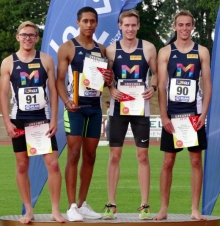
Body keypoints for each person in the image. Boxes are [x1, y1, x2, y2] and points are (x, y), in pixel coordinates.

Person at [0, 21, 66, 224]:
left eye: (31, 35)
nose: (27, 38)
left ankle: (55, 210)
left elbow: (53, 91)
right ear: (18, 37)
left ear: (37, 38)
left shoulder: (46, 60)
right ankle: (28, 210)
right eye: (24, 34)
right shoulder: (8, 62)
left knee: (53, 165)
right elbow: (3, 93)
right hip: (19, 119)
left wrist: (54, 118)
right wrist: (7, 123)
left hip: (41, 119)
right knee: (22, 166)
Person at [153, 10, 211, 221]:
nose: (184, 28)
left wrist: (204, 114)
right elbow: (161, 86)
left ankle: (194, 209)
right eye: (181, 25)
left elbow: (207, 84)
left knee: (196, 161)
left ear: (192, 26)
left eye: (188, 25)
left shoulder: (202, 51)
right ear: (175, 27)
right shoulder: (165, 52)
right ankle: (163, 209)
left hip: (194, 114)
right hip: (173, 115)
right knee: (168, 162)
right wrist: (164, 116)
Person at [56, 6, 112, 222]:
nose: (89, 25)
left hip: (94, 108)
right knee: (73, 153)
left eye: (93, 21)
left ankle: (82, 203)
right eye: (85, 21)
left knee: (90, 155)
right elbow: (60, 80)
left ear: (97, 23)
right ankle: (71, 206)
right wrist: (67, 101)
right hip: (75, 109)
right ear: (78, 22)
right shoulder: (68, 47)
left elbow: (107, 82)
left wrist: (108, 79)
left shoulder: (101, 49)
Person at [103, 9, 158, 220]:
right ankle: (111, 204)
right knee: (114, 156)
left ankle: (144, 205)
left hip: (140, 108)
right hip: (118, 108)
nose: (130, 28)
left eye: (134, 25)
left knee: (142, 156)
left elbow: (156, 73)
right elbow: (106, 76)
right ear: (120, 26)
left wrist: (152, 87)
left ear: (138, 26)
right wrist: (110, 88)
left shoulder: (149, 48)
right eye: (126, 25)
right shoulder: (110, 50)